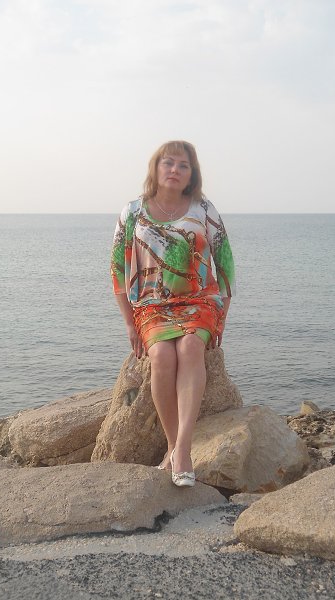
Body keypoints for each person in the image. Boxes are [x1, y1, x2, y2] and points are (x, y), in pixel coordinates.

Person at [110, 140, 235, 487]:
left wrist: (222, 316)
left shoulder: (204, 209)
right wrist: (129, 324)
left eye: (183, 165)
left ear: (191, 174)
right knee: (162, 356)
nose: (175, 170)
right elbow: (118, 270)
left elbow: (225, 263)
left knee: (190, 347)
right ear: (156, 167)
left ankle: (182, 451)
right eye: (168, 162)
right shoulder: (132, 212)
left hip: (199, 301)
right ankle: (172, 444)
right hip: (151, 306)